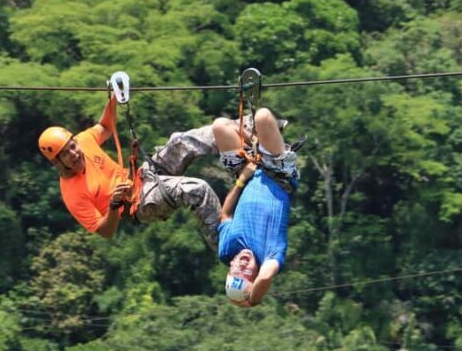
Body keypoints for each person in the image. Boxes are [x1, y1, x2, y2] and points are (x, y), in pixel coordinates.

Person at [37, 96, 227, 250]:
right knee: (196, 189)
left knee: (181, 141)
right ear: (57, 162)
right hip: (139, 205)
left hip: (141, 175)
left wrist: (113, 98)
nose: (74, 153)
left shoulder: (83, 141)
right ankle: (223, 244)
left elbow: (105, 127)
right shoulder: (73, 194)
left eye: (72, 146)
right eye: (65, 154)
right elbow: (105, 231)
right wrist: (114, 204)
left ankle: (242, 133)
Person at [214, 107, 300, 307]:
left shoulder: (227, 251)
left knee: (220, 126)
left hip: (247, 170)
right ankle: (264, 143)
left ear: (231, 266)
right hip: (278, 173)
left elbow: (225, 215)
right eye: (246, 273)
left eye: (237, 270)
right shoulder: (271, 256)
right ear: (255, 274)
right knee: (262, 116)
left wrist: (242, 180)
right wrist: (251, 300)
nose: (242, 265)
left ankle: (256, 143)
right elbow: (265, 279)